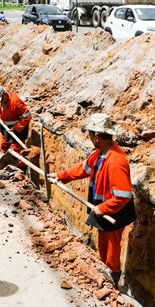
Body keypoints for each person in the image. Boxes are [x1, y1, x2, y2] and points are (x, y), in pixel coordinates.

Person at [48, 113, 136, 286]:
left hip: (116, 212)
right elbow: (82, 169)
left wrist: (103, 208)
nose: (88, 137)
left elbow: (123, 196)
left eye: (89, 134)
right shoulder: (99, 154)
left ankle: (113, 279)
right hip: (104, 208)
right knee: (103, 245)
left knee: (111, 249)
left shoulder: (116, 162)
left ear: (96, 137)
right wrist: (61, 176)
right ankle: (106, 270)